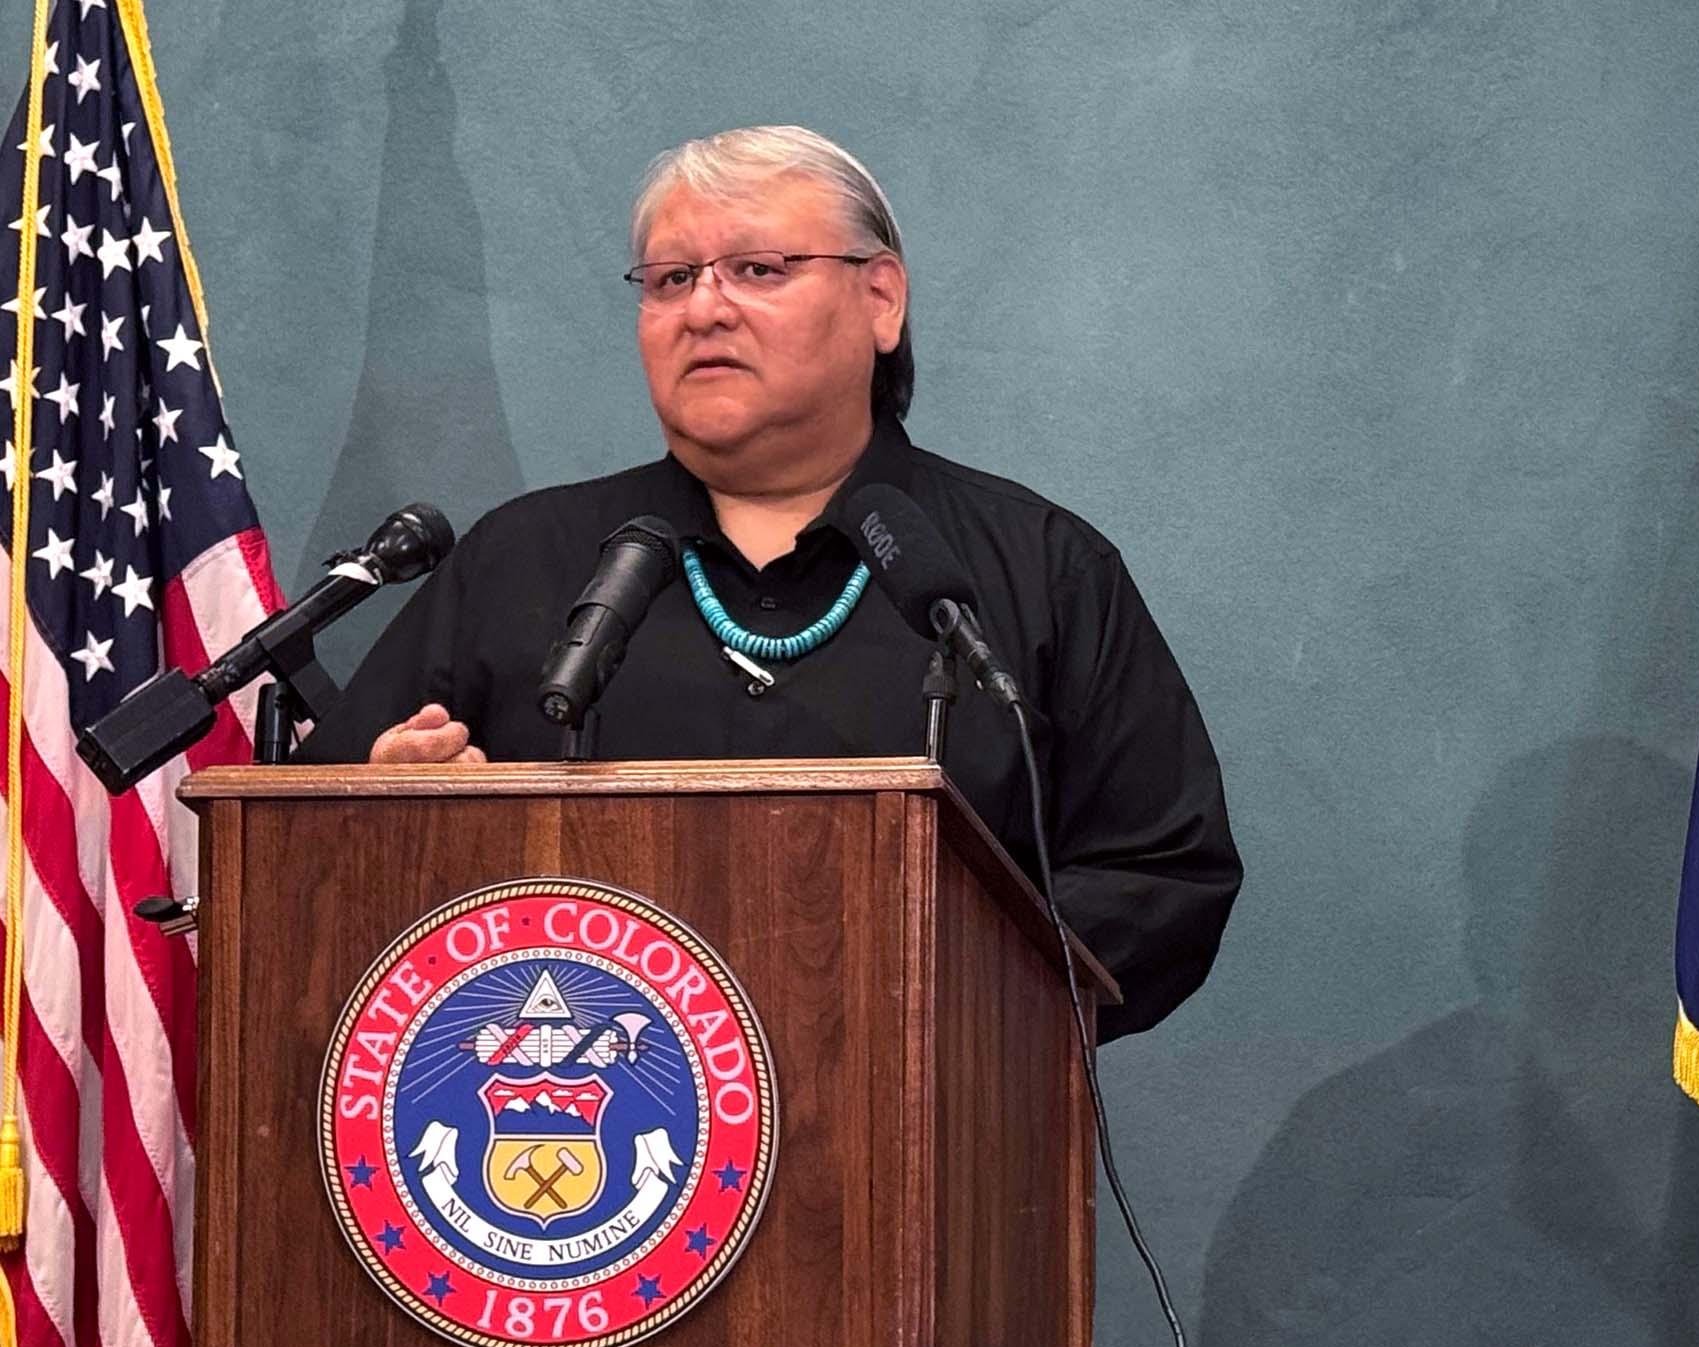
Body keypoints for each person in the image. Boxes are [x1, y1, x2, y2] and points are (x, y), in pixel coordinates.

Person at [297, 125, 1239, 1041]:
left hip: (929, 1142)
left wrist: (929, 988)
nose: (704, 309)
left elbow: (1161, 874)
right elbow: (304, 867)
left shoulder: (1036, 568)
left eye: (758, 270)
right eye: (671, 280)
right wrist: (389, 828)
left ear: (881, 299)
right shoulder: (523, 561)